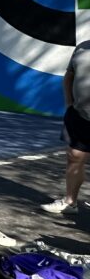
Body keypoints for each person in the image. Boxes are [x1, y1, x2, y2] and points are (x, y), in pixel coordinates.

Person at [41, 41, 90, 214]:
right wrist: (69, 103)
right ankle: (70, 203)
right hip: (79, 115)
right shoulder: (82, 47)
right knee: (74, 157)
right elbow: (69, 76)